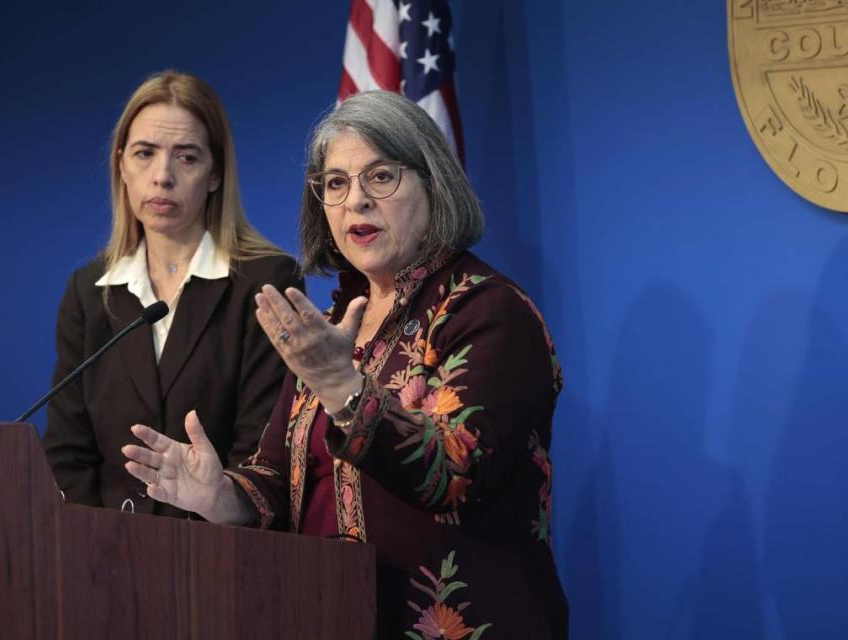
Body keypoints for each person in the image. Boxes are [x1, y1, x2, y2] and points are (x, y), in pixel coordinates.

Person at [123, 90, 567, 637]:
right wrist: (222, 497)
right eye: (336, 183)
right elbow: (279, 478)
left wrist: (341, 385)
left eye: (381, 177)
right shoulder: (336, 322)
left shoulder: (488, 311)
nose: (356, 201)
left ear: (433, 183)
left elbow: (453, 475)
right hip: (334, 617)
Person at [42, 71, 302, 518]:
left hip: (222, 555)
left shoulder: (266, 281)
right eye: (145, 154)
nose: (162, 177)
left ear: (215, 173)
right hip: (102, 560)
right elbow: (68, 454)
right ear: (122, 164)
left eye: (186, 158)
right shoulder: (89, 291)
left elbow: (264, 456)